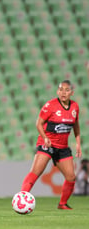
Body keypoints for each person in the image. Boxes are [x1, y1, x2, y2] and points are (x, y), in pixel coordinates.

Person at [20, 80, 81, 210]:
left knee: (71, 176)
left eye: (66, 90)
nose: (63, 92)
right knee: (36, 172)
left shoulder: (75, 107)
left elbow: (76, 125)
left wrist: (78, 143)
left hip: (63, 147)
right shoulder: (50, 105)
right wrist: (45, 137)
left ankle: (62, 204)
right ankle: (22, 198)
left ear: (72, 92)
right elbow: (39, 123)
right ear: (57, 91)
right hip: (47, 144)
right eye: (61, 89)